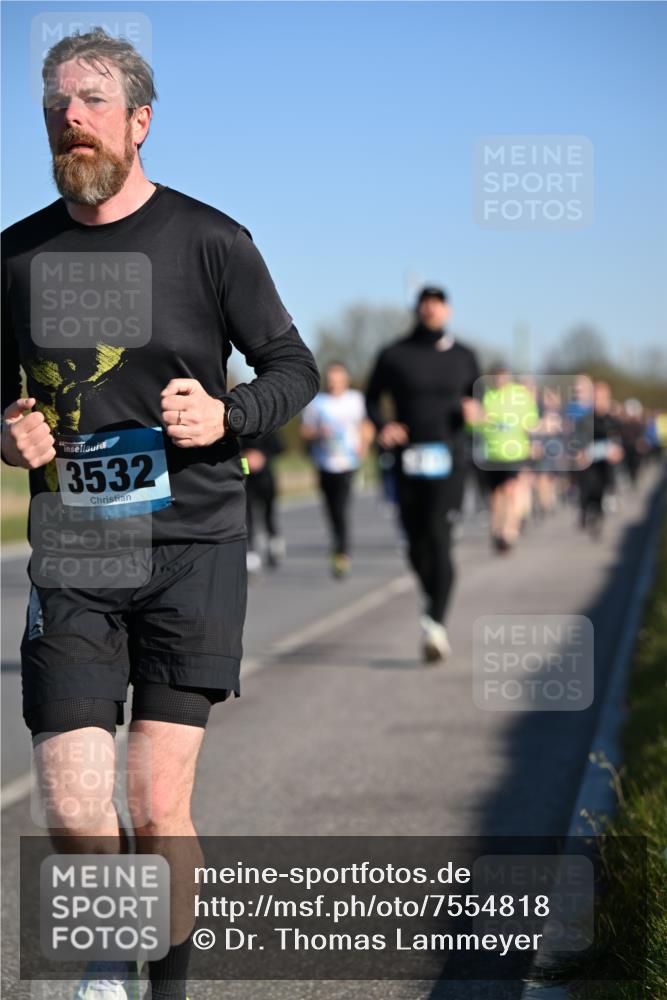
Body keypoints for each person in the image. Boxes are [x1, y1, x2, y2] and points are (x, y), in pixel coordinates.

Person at [1, 28, 318, 1000]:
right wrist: (6, 433)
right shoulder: (16, 256)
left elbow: (291, 369)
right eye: (57, 106)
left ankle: (156, 987)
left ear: (140, 121)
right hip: (75, 544)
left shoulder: (212, 241)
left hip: (193, 541)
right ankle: (108, 956)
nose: (71, 119)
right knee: (73, 800)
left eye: (91, 102)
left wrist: (230, 412)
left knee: (154, 797)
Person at [365, 286, 480, 661]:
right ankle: (432, 596)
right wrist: (384, 424)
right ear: (417, 309)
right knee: (416, 543)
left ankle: (435, 624)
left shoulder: (465, 356)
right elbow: (370, 398)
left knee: (440, 535)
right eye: (425, 303)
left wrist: (474, 411)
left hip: (450, 458)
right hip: (407, 458)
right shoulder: (394, 354)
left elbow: (478, 398)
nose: (431, 309)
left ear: (447, 309)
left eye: (437, 302)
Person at [301, 361, 372, 578]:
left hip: (347, 463)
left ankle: (342, 554)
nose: (334, 382)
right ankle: (337, 542)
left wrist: (364, 446)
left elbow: (366, 426)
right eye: (331, 379)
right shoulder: (317, 403)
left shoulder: (356, 400)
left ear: (346, 379)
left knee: (341, 508)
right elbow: (305, 432)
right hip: (324, 462)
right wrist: (318, 432)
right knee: (331, 509)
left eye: (338, 378)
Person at [473, 366, 540, 553]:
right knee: (497, 494)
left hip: (516, 452)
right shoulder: (487, 397)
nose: (501, 382)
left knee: (512, 490)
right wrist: (478, 420)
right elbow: (474, 423)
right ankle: (496, 529)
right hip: (493, 454)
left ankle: (509, 532)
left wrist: (535, 441)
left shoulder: (520, 396)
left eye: (504, 378)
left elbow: (531, 421)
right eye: (497, 378)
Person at [575, 381, 624, 537]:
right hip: (588, 464)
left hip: (605, 465)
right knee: (587, 490)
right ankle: (584, 510)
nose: (599, 400)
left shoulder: (613, 422)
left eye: (602, 397)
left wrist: (616, 453)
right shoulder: (584, 420)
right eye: (596, 397)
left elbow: (619, 446)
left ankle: (598, 518)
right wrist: (580, 454)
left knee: (601, 491)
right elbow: (578, 444)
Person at [240, 431, 285, 574]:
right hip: (248, 480)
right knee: (248, 516)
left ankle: (273, 543)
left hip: (266, 478)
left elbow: (279, 447)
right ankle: (251, 552)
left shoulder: (267, 428)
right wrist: (246, 460)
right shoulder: (240, 431)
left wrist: (263, 457)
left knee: (269, 513)